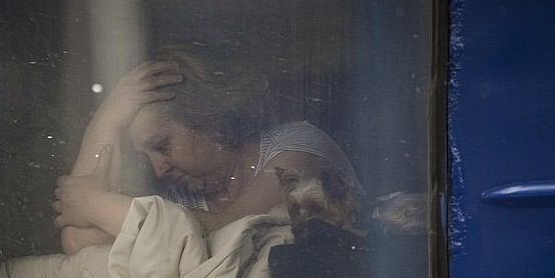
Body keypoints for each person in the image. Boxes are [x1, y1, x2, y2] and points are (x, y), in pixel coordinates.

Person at [52, 46, 363, 255]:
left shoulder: (299, 146)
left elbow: (230, 227)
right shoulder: (182, 199)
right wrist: (106, 119)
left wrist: (96, 205)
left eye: (162, 146)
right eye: (146, 156)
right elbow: (79, 239)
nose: (159, 169)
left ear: (207, 118)